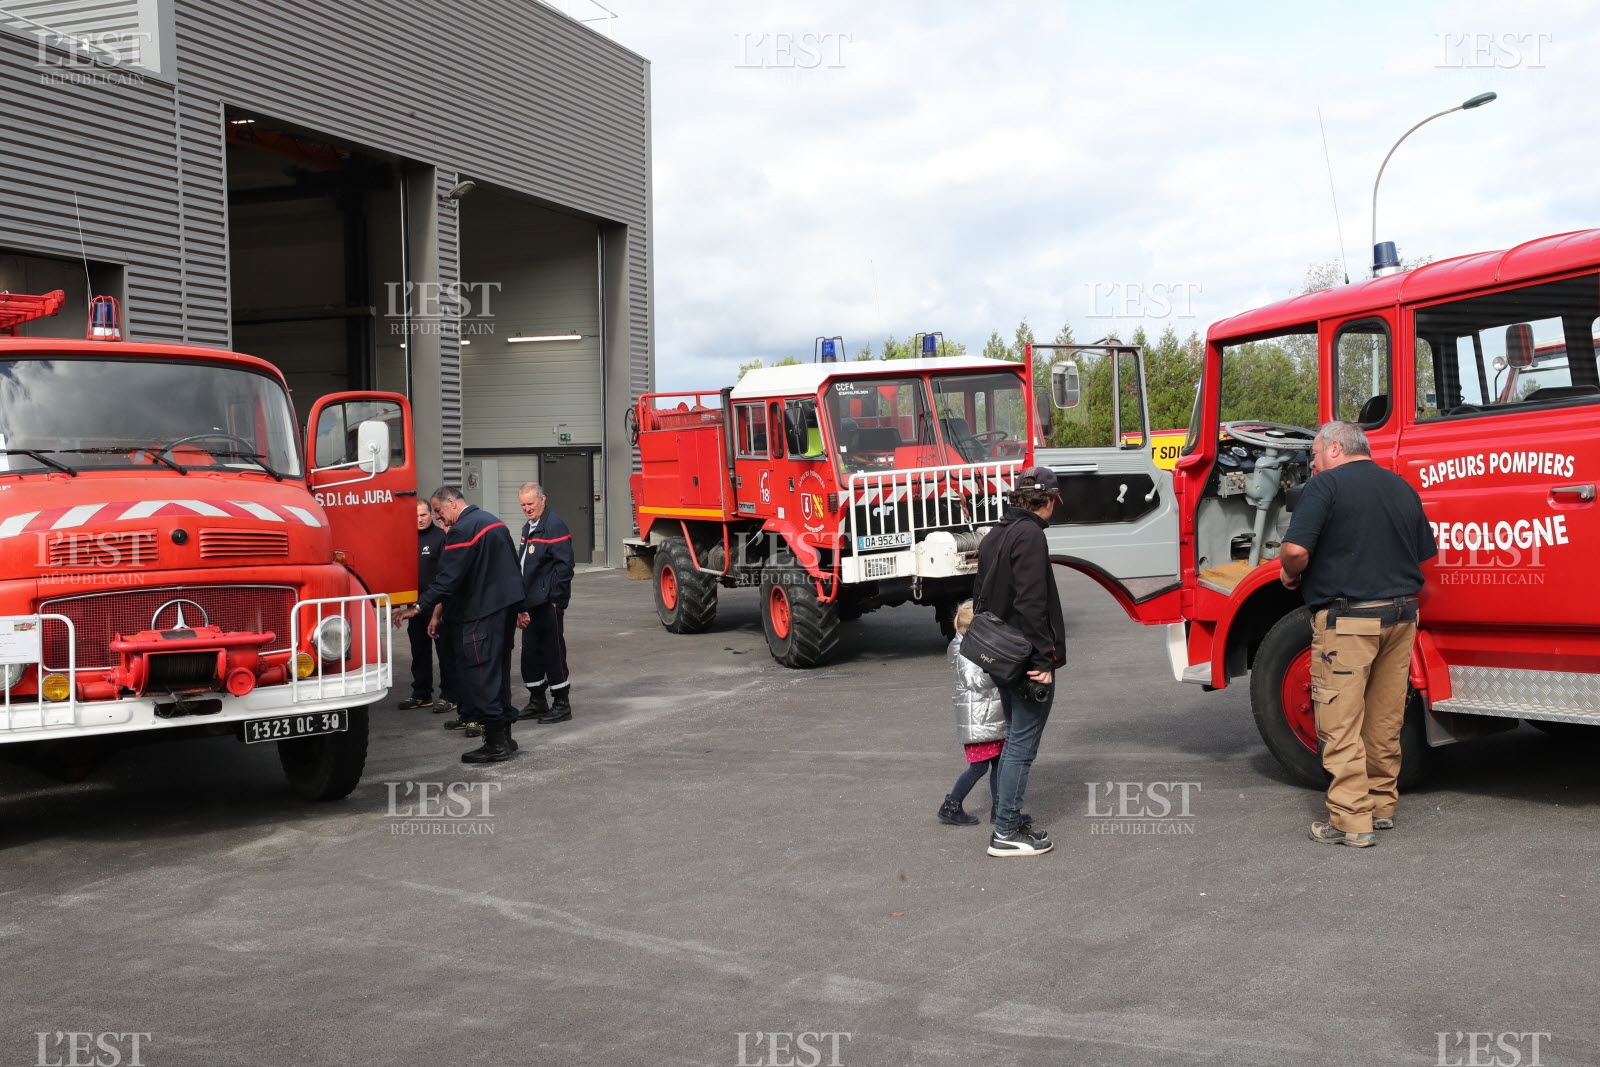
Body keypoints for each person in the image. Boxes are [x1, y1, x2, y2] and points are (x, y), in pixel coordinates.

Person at [1279, 420, 1437, 848]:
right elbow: (1426, 551)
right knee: (1385, 719)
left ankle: (1351, 822)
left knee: (1338, 722)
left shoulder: (1325, 487)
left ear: (1334, 448)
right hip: (1402, 616)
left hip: (1350, 622)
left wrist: (1289, 573)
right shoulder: (1399, 486)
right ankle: (1382, 807)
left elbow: (1295, 550)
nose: (1312, 463)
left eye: (1314, 454)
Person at [974, 466, 1066, 858]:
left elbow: (981, 594)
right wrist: (1044, 659)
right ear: (1049, 500)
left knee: (1014, 739)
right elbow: (1032, 602)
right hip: (1026, 659)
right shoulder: (1029, 535)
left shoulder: (997, 533)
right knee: (1021, 746)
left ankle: (1008, 818)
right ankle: (1007, 831)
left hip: (1002, 655)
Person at [401, 487, 524, 763]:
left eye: (438, 511)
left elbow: (447, 579)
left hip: (480, 615)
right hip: (503, 613)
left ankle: (495, 743)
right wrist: (520, 607)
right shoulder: (494, 522)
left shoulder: (462, 531)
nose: (438, 517)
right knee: (499, 674)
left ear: (453, 504)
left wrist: (419, 607)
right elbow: (513, 568)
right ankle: (505, 736)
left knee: (480, 676)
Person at [938, 600, 1007, 826]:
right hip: (979, 719)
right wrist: (996, 669)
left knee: (998, 763)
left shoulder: (970, 646)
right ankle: (951, 806)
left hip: (987, 716)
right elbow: (975, 681)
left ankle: (1000, 809)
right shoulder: (965, 652)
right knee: (979, 766)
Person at [516, 482, 577, 725]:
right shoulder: (528, 527)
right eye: (523, 505)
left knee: (553, 652)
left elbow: (565, 566)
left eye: (530, 503)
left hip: (547, 604)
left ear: (543, 500)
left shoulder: (554, 526)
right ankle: (537, 700)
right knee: (530, 653)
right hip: (529, 603)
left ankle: (561, 703)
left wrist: (555, 599)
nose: (527, 509)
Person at [396, 501, 458, 715]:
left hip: (439, 608)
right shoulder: (406, 540)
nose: (420, 519)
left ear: (431, 514)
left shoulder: (441, 539)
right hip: (415, 609)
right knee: (419, 653)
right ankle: (421, 694)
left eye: (423, 514)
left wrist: (437, 614)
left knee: (446, 654)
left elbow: (446, 579)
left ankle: (450, 696)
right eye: (416, 516)